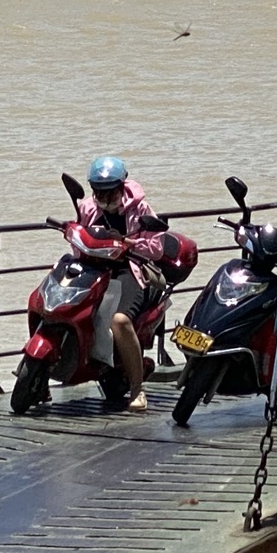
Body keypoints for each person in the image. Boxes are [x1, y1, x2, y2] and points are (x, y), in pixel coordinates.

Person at [78, 155, 167, 411]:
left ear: (122, 186)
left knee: (119, 320)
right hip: (96, 268)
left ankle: (138, 389)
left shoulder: (140, 209)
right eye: (99, 193)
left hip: (130, 268)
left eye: (111, 192)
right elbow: (80, 236)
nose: (105, 198)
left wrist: (131, 244)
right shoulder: (87, 208)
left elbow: (157, 247)